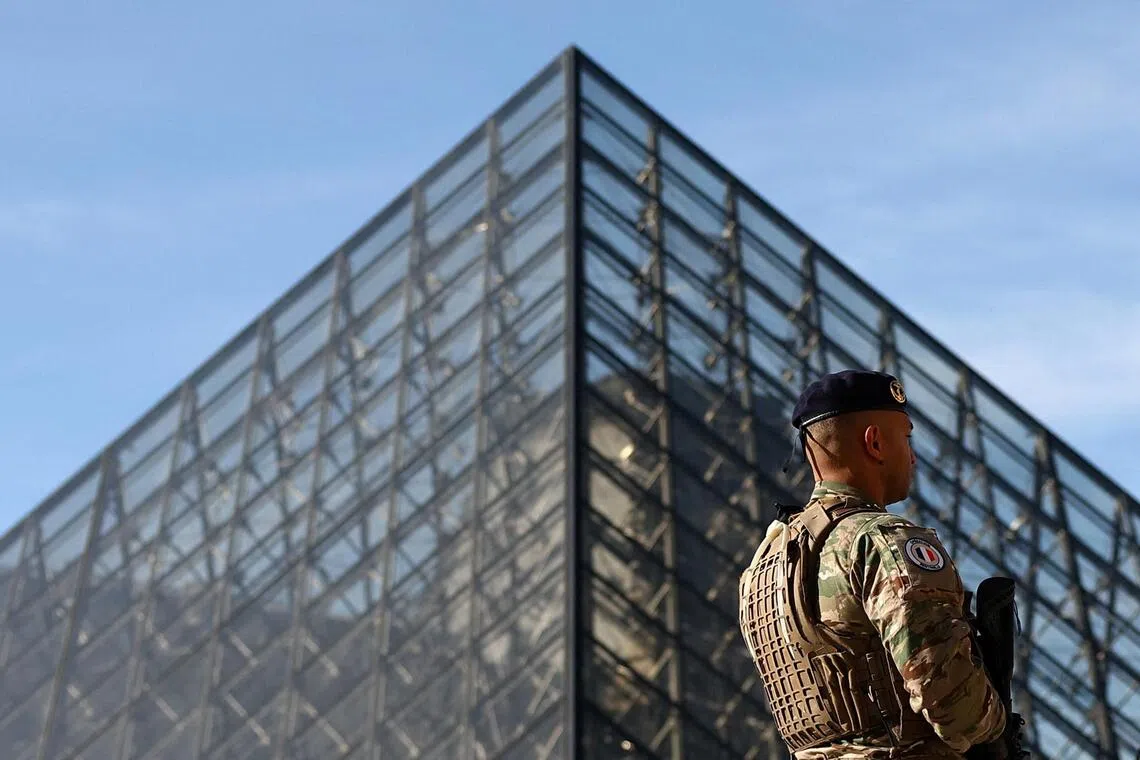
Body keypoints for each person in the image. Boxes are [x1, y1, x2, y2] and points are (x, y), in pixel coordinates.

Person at [738, 369, 1007, 759]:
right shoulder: (882, 541)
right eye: (906, 438)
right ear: (875, 442)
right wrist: (999, 720)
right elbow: (955, 706)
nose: (912, 456)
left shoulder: (763, 567)